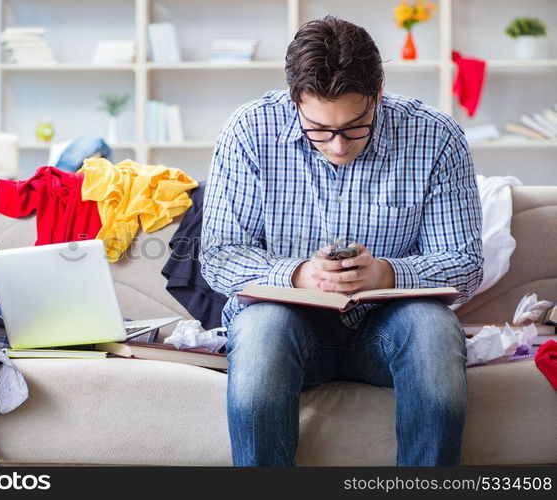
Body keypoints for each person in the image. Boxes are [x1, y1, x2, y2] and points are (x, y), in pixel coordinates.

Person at [198, 15, 484, 466]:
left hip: (389, 332)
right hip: (286, 330)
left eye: (355, 126)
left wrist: (388, 273)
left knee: (432, 327)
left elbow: (464, 263)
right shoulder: (250, 131)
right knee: (261, 326)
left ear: (378, 94)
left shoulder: (435, 136)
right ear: (295, 100)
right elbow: (218, 256)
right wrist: (297, 275)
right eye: (318, 130)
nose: (337, 145)